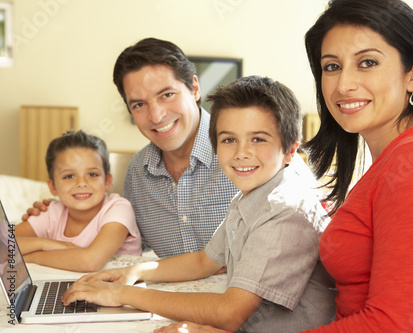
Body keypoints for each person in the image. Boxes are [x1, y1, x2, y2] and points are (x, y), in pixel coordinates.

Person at [155, 0, 413, 332]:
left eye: (367, 62)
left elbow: (392, 327)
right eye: (332, 66)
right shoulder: (396, 160)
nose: (344, 84)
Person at [61, 76, 336, 332]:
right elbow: (204, 260)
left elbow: (229, 312)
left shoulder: (284, 209)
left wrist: (122, 294)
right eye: (229, 139)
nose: (242, 153)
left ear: (290, 149)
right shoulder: (252, 194)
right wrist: (131, 272)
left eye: (258, 139)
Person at [23, 38, 239, 258]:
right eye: (139, 104)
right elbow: (130, 243)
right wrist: (57, 214)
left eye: (167, 94)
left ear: (194, 88)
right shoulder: (137, 172)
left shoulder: (242, 152)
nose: (156, 115)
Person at [14, 130, 141, 272]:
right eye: (69, 176)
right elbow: (3, 244)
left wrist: (31, 257)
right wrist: (43, 243)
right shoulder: (52, 212)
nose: (81, 183)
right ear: (53, 187)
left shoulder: (118, 208)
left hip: (119, 290)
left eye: (92, 174)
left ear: (106, 181)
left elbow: (90, 261)